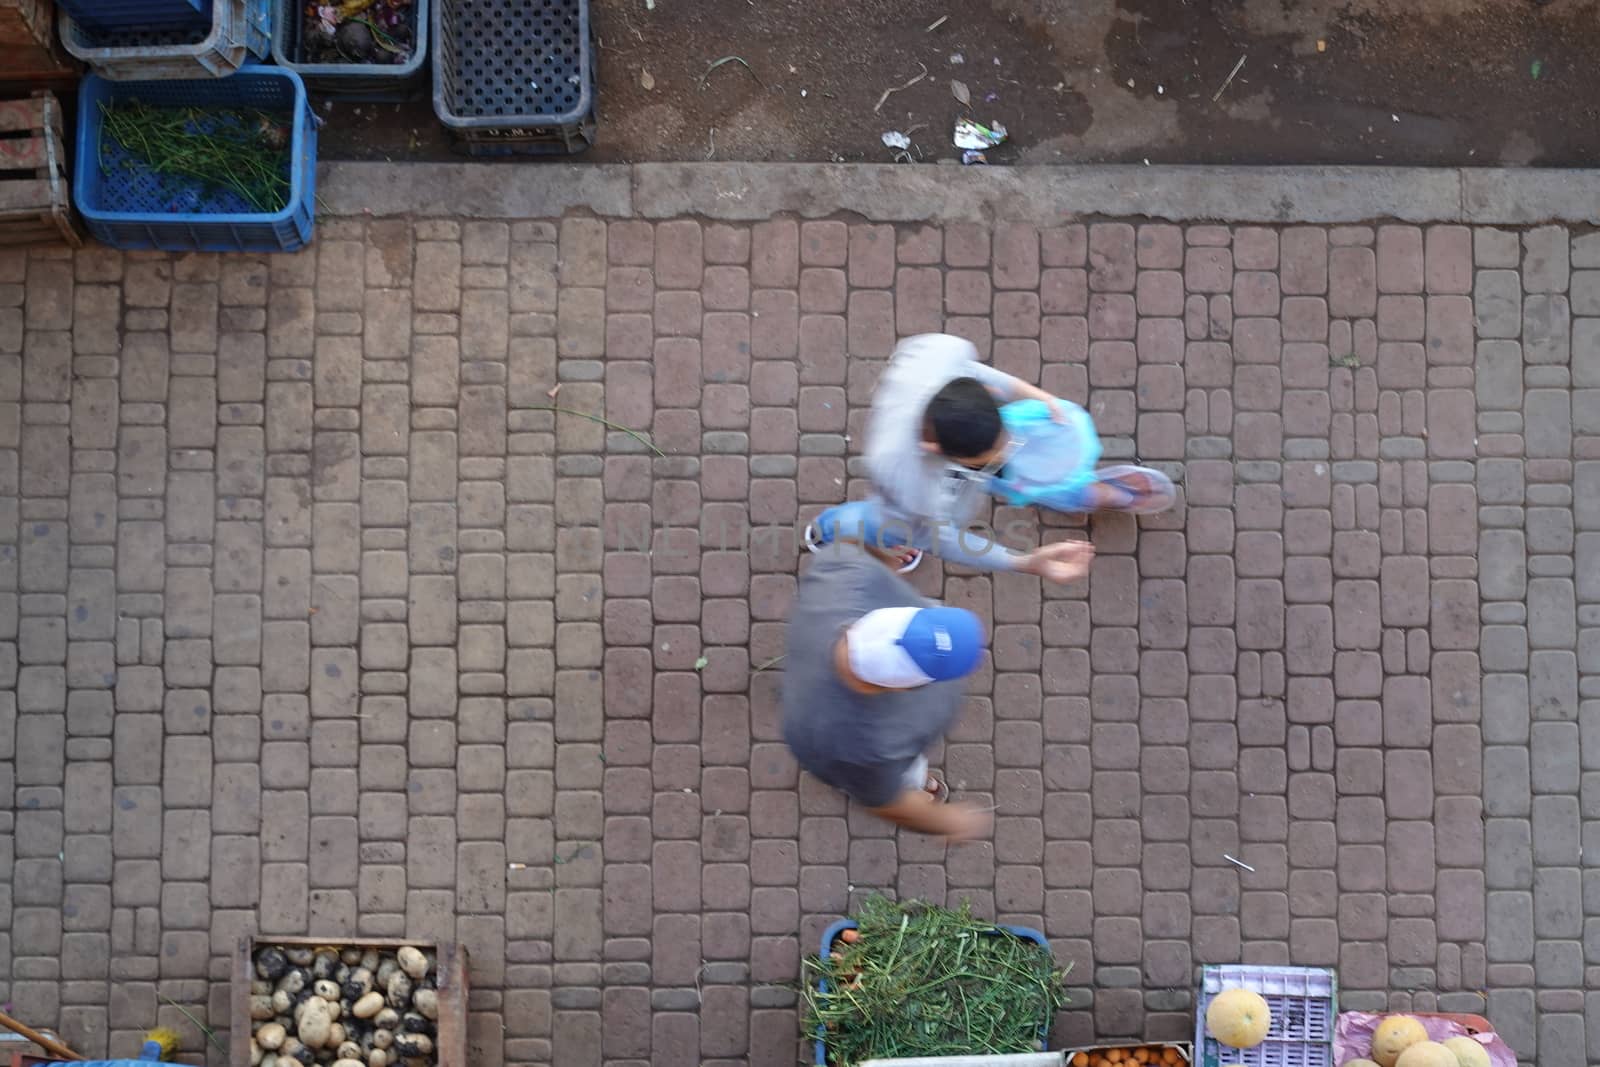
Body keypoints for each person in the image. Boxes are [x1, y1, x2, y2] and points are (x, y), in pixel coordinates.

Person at [781, 535, 1093, 839]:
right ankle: (912, 782)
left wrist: (886, 555)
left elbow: (851, 543)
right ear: (900, 689)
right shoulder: (870, 747)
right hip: (834, 753)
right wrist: (946, 823)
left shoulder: (844, 573)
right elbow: (886, 802)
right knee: (892, 778)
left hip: (809, 679)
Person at [831, 333, 1171, 576]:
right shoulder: (910, 486)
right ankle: (822, 535)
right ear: (935, 450)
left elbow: (976, 373)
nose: (1003, 459)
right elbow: (939, 538)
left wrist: (1039, 397)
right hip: (900, 511)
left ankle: (1085, 495)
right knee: (863, 524)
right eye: (987, 462)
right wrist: (1023, 562)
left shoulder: (945, 353)